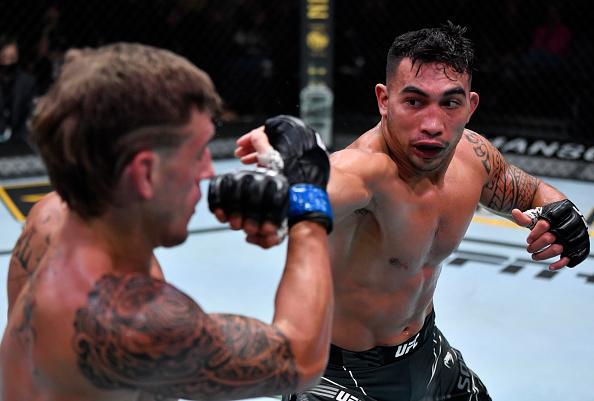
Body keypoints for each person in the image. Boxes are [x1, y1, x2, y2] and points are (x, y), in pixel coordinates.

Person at [235, 22, 590, 401]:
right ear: (384, 100)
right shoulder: (365, 170)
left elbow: (534, 190)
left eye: (450, 103)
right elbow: (316, 189)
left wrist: (563, 217)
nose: (433, 125)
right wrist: (276, 183)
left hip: (426, 351)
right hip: (336, 375)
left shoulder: (474, 157)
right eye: (414, 101)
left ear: (470, 106)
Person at [0, 42, 336, 401]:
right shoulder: (124, 321)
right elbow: (301, 358)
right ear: (145, 173)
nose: (209, 171)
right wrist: (307, 199)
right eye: (197, 154)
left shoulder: (52, 218)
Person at [0, 36, 37, 149]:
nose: (9, 63)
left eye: (12, 58)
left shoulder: (27, 82)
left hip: (21, 139)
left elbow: (32, 113)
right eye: (4, 58)